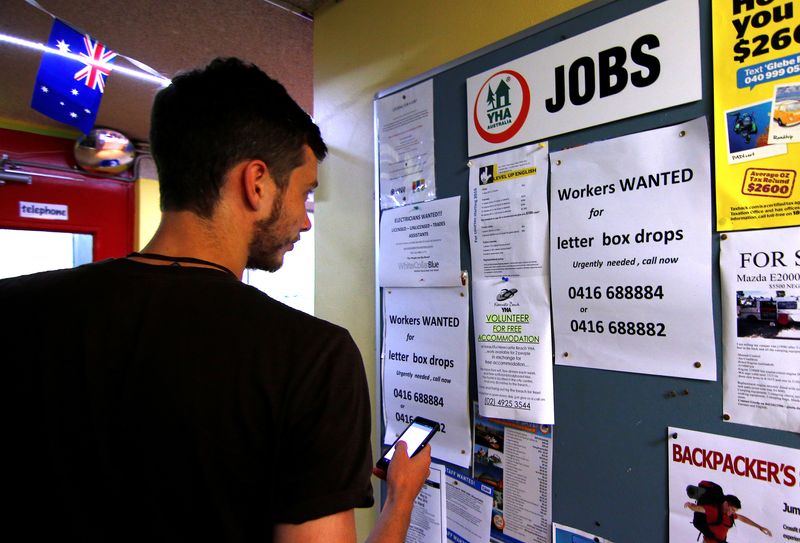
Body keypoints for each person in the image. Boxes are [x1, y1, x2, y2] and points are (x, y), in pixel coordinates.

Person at [2, 57, 430, 542]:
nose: (306, 221)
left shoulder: (15, 309)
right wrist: (399, 501)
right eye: (304, 193)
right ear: (258, 183)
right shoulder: (311, 357)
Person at [684, 495, 772, 542]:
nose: (733, 512)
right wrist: (690, 505)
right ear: (726, 504)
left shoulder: (730, 516)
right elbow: (700, 508)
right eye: (733, 509)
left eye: (735, 511)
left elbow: (743, 518)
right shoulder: (714, 510)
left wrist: (759, 527)